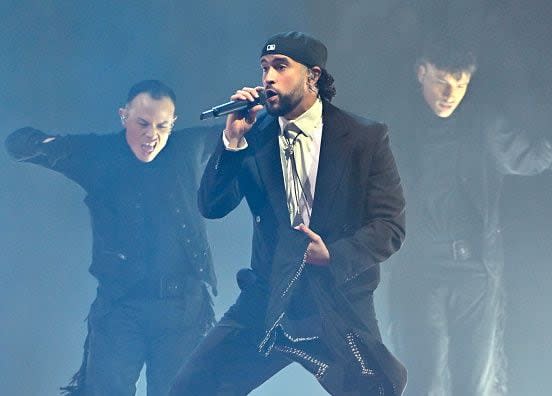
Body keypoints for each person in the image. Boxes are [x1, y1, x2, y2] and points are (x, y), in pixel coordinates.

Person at [170, 31, 407, 395]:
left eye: (281, 67)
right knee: (192, 388)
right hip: (269, 296)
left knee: (376, 389)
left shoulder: (364, 137)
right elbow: (212, 207)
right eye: (265, 67)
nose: (268, 77)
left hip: (336, 300)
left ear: (313, 76)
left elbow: (389, 226)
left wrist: (333, 255)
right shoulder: (254, 135)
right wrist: (232, 141)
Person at [385, 40, 552, 396]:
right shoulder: (393, 128)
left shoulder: (484, 127)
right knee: (424, 381)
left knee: (474, 384)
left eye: (460, 83)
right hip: (417, 270)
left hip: (474, 272)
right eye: (441, 81)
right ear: (421, 73)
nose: (450, 94)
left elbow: (532, 156)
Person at [5, 80, 220, 396]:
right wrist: (50, 145)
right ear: (124, 116)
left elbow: (242, 134)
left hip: (183, 310)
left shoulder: (187, 147)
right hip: (121, 307)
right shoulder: (98, 154)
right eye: (142, 123)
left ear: (173, 123)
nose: (152, 135)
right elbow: (17, 144)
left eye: (162, 126)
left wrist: (253, 114)